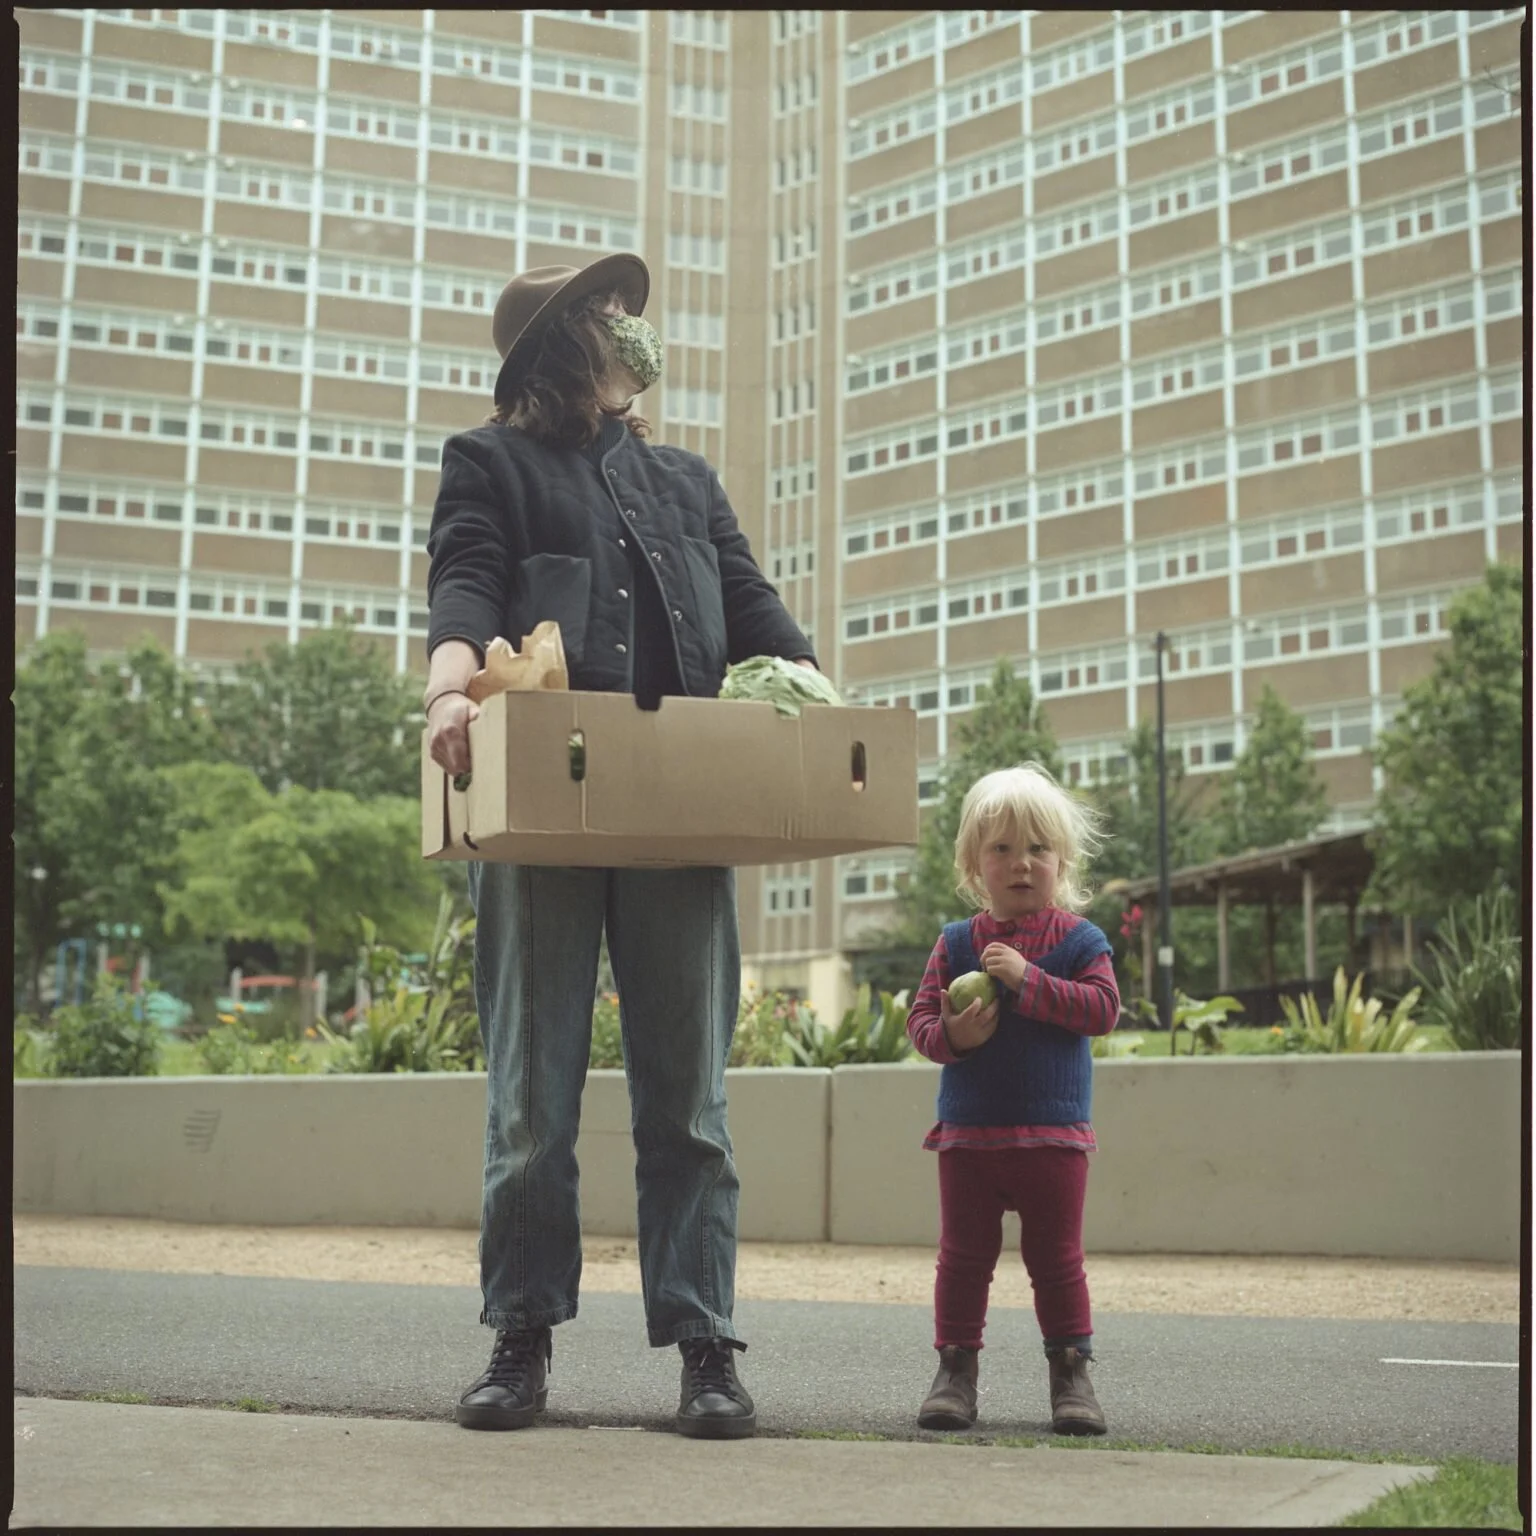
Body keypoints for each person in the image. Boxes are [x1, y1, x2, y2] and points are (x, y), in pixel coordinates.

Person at [421, 252, 819, 1439]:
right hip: (540, 811)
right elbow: (466, 582)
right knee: (533, 1102)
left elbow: (753, 608)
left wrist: (823, 703)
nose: (626, 330)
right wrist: (448, 697)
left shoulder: (688, 482)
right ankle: (522, 1337)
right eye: (602, 314)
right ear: (557, 346)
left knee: (690, 1105)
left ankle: (708, 1346)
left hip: (678, 811)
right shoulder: (489, 461)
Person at [903, 763, 1120, 1436]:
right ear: (974, 864)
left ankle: (1071, 1374)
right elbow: (921, 1024)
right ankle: (955, 1372)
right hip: (969, 1137)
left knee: (1056, 1263)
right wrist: (954, 1038)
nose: (1021, 864)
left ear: (1064, 861)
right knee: (962, 1260)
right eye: (1001, 849)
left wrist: (1028, 982)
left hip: (1053, 1137)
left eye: (1037, 850)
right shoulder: (956, 943)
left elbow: (1102, 1010)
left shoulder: (1081, 941)